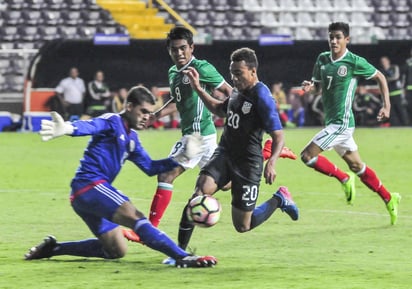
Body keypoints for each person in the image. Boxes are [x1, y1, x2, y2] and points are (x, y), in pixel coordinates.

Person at [24, 86, 217, 268]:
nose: (146, 117)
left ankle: (54, 248)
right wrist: (68, 128)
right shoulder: (112, 122)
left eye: (149, 113)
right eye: (142, 111)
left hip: (84, 195)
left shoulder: (132, 138)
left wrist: (181, 158)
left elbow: (150, 167)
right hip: (90, 185)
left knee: (115, 250)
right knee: (137, 218)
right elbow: (90, 125)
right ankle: (182, 257)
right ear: (129, 107)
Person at [174, 47, 299, 260]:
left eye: (238, 73)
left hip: (248, 164)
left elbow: (279, 137)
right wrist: (198, 89)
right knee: (197, 197)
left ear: (252, 71)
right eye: (232, 73)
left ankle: (280, 199)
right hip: (225, 153)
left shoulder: (263, 97)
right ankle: (179, 253)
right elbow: (218, 109)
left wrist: (272, 163)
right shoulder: (236, 92)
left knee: (243, 225)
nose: (234, 78)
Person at [301, 22, 401, 225]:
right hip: (333, 123)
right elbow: (319, 88)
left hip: (341, 124)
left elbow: (380, 77)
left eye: (338, 37)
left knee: (307, 156)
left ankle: (344, 178)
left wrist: (386, 106)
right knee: (358, 166)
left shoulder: (354, 62)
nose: (334, 41)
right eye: (331, 37)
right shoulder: (322, 59)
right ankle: (389, 198)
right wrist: (310, 88)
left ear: (347, 39)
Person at [379, 56, 409, 126]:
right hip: (388, 95)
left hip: (397, 93)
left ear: (388, 61)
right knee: (391, 112)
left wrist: (385, 80)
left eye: (385, 61)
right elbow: (380, 81)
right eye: (382, 61)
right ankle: (395, 126)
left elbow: (396, 76)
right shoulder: (381, 71)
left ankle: (406, 125)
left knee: (401, 110)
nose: (384, 63)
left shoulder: (394, 67)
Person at [402, 48, 412, 125]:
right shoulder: (408, 62)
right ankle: (409, 123)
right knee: (409, 106)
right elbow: (404, 76)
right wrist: (403, 88)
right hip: (409, 89)